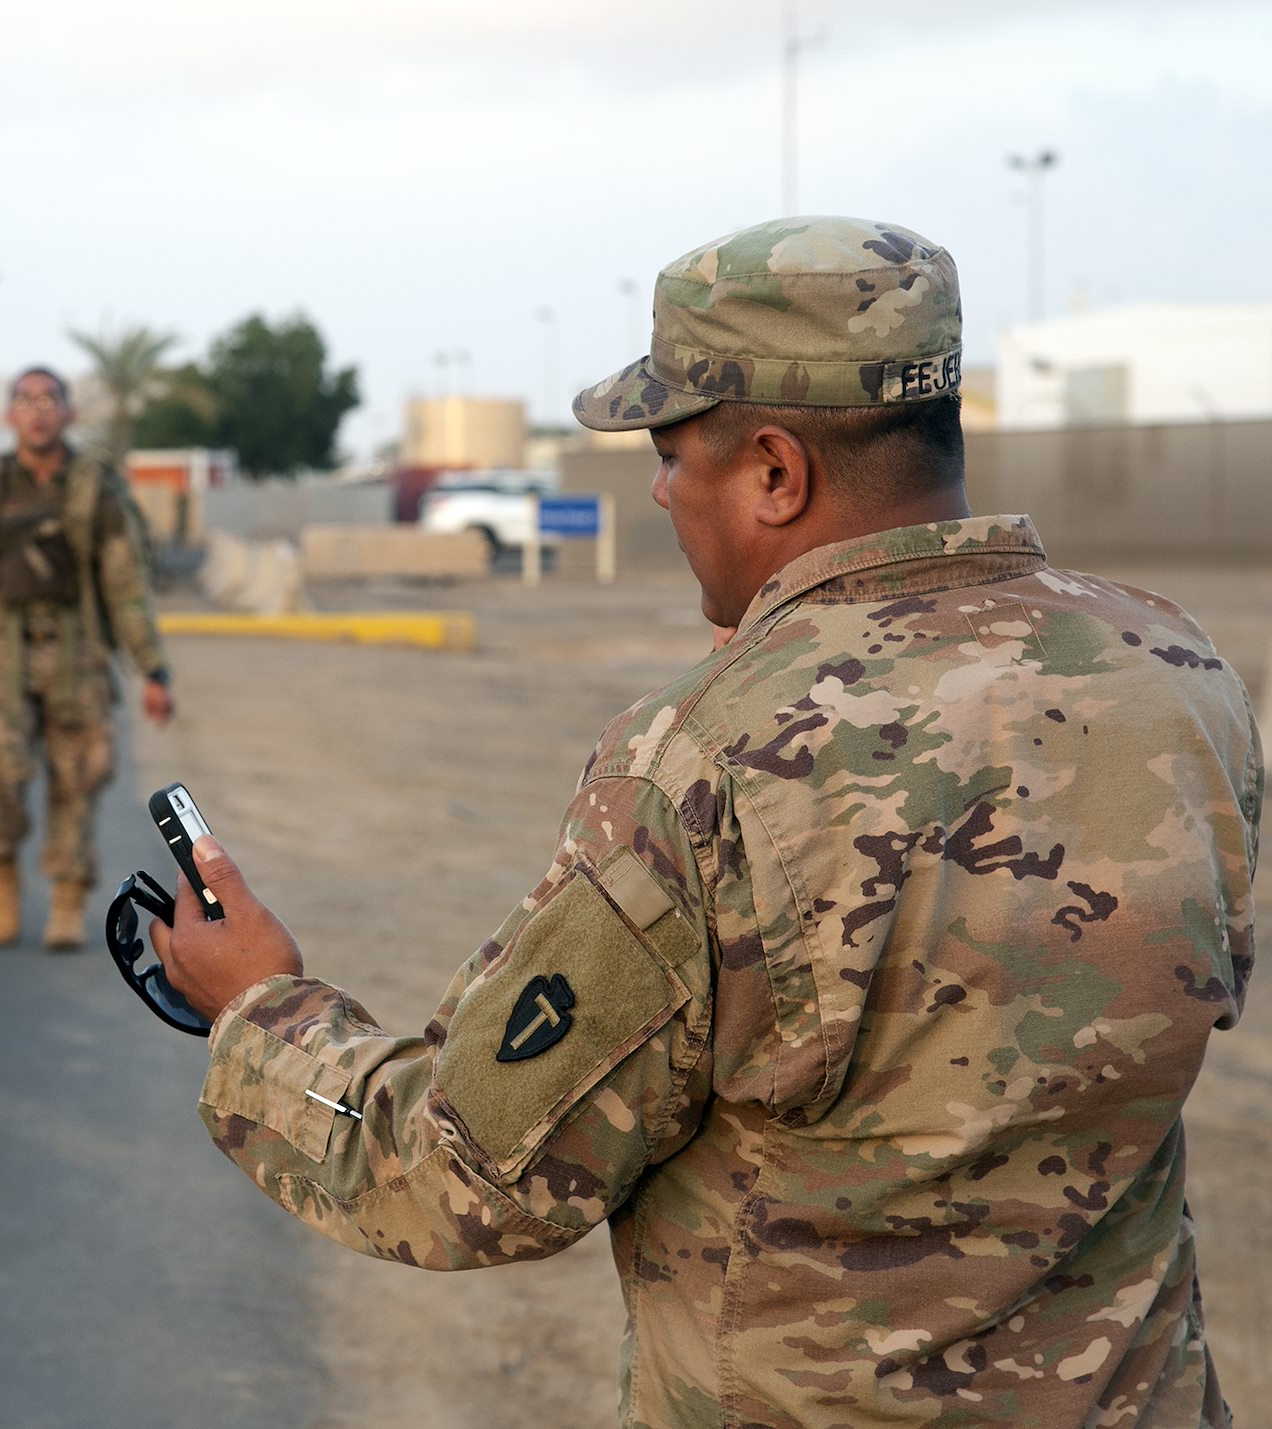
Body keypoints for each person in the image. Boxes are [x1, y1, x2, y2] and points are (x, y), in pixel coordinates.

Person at [153, 218, 1259, 1426]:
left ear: (774, 472)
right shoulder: (1171, 670)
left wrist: (257, 1006)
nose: (658, 488)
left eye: (671, 451)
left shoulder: (705, 758)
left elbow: (461, 1173)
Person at [0, 366, 174, 951]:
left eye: (49, 399)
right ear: (9, 414)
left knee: (79, 777)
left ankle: (66, 900)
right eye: (26, 400)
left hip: (76, 654)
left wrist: (153, 670)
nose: (37, 411)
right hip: (1, 654)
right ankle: (2, 871)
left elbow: (125, 585)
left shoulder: (95, 488)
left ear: (68, 413)